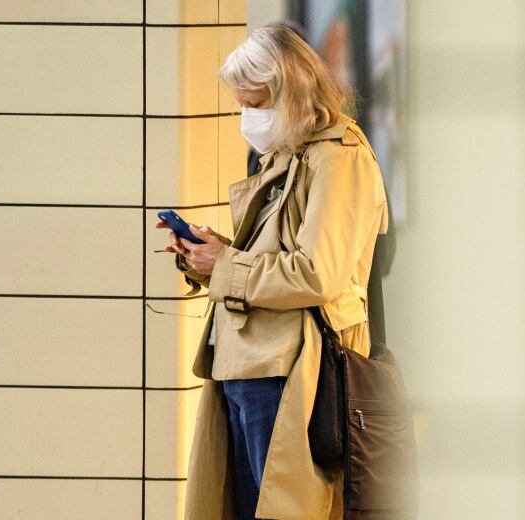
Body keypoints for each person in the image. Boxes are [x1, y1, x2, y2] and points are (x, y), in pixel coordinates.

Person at [156, 22, 389, 520]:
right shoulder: (288, 150)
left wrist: (224, 265)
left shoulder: (338, 157)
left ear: (292, 92)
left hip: (290, 370)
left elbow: (316, 273)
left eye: (257, 104)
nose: (248, 117)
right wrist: (210, 254)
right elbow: (268, 255)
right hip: (248, 362)